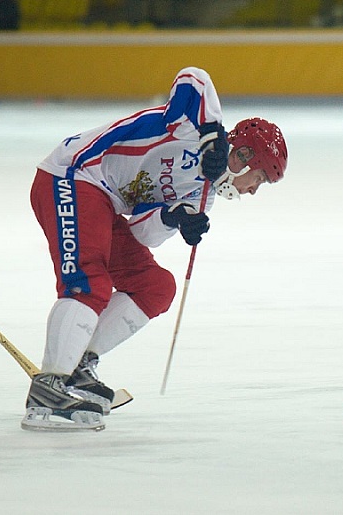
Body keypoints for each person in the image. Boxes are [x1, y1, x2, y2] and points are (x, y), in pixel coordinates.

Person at [22, 66, 288, 431]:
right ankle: (50, 387)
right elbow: (193, 77)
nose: (254, 189)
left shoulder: (204, 197)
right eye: (258, 177)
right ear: (242, 156)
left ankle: (77, 364)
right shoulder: (192, 126)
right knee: (89, 282)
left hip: (105, 200)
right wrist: (211, 134)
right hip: (74, 174)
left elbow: (142, 235)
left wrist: (174, 217)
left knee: (156, 287)